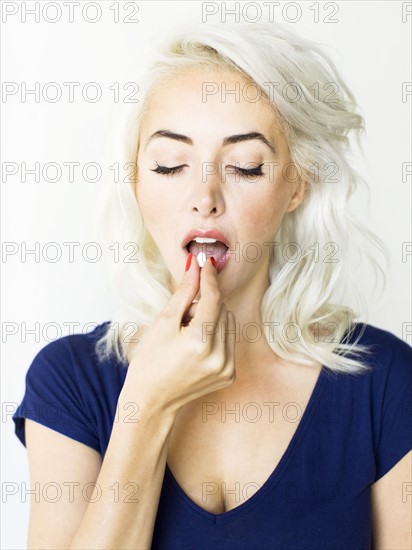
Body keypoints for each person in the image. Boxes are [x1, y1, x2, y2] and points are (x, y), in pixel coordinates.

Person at [12, 19, 412, 549]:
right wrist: (147, 404)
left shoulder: (385, 384)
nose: (205, 196)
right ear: (135, 179)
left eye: (245, 167)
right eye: (169, 164)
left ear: (297, 185)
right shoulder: (69, 383)